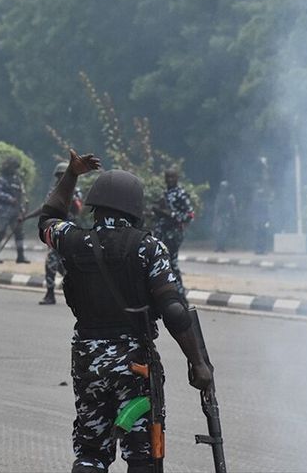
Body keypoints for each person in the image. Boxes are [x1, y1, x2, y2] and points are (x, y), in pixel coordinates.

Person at [39, 150, 214, 473]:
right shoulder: (149, 248)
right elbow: (174, 311)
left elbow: (48, 219)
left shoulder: (74, 241)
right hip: (135, 366)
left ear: (95, 207)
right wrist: (198, 362)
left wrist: (72, 174)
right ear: (134, 208)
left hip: (88, 360)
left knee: (91, 452)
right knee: (143, 457)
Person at [22, 162, 83, 305]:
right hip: (55, 230)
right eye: (60, 176)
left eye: (65, 176)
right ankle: (50, 294)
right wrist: (28, 217)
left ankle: (78, 291)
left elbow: (79, 209)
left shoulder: (76, 191)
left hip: (70, 230)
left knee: (67, 264)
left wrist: (71, 195)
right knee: (51, 263)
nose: (62, 179)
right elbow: (44, 208)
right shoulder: (53, 191)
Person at [152, 168, 194, 295]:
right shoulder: (165, 193)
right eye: (167, 177)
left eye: (172, 177)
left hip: (173, 234)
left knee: (172, 264)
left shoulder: (180, 194)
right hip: (162, 233)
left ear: (177, 178)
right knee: (162, 263)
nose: (170, 180)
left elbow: (189, 215)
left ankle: (179, 292)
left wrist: (170, 214)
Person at [0, 156, 30, 264]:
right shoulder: (2, 179)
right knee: (0, 233)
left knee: (19, 233)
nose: (14, 170)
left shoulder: (17, 180)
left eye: (16, 168)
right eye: (13, 167)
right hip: (3, 211)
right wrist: (9, 198)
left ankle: (20, 256)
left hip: (16, 210)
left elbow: (21, 194)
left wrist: (22, 208)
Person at [212, 180, 237, 253]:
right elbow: (216, 206)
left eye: (224, 187)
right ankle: (218, 246)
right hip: (219, 216)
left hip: (227, 216)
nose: (222, 188)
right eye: (222, 187)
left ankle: (222, 246)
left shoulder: (230, 197)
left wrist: (234, 216)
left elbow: (233, 207)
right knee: (217, 231)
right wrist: (215, 216)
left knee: (224, 232)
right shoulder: (219, 196)